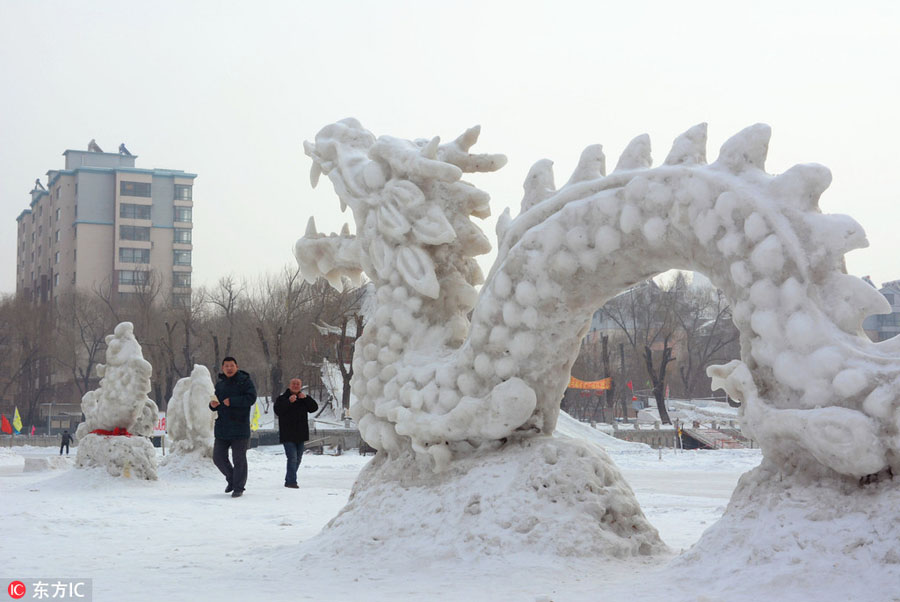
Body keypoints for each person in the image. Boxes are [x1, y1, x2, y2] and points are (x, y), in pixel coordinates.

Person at [209, 357, 257, 498]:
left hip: (239, 426)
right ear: (223, 368)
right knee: (218, 457)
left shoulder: (245, 381)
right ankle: (231, 479)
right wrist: (212, 405)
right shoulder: (220, 384)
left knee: (239, 458)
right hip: (222, 427)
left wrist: (233, 401)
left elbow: (251, 398)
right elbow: (215, 401)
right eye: (226, 366)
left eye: (231, 365)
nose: (229, 368)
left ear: (236, 366)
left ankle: (238, 487)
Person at [273, 378, 318, 488]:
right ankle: (291, 482)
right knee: (292, 457)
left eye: (298, 384)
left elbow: (314, 408)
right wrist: (289, 402)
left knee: (298, 458)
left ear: (301, 386)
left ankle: (289, 478)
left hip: (301, 433)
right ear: (289, 385)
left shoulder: (303, 398)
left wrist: (306, 398)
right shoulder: (282, 398)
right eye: (293, 383)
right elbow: (277, 410)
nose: (296, 386)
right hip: (287, 433)